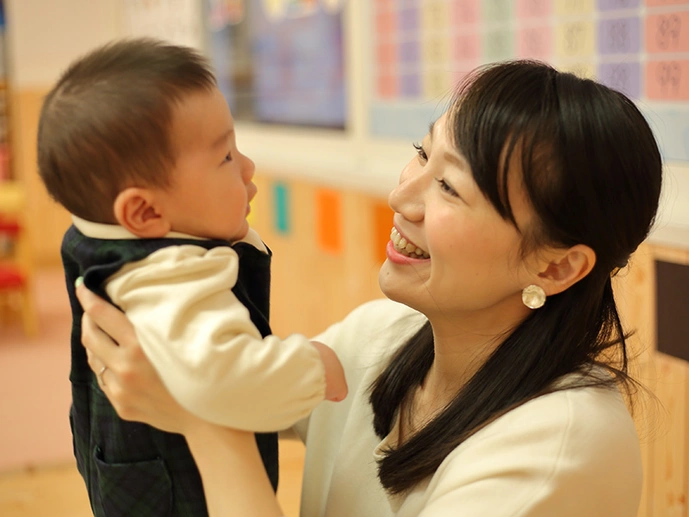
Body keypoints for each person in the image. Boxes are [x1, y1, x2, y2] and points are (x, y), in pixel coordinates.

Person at [76, 59, 663, 516]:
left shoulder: (558, 448)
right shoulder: (384, 334)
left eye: (451, 189)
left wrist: (201, 417)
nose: (402, 197)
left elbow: (220, 406)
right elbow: (261, 385)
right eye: (421, 154)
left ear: (555, 267)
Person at [37, 38, 347, 517]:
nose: (247, 167)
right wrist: (311, 368)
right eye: (225, 158)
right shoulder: (168, 273)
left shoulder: (110, 235)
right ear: (143, 211)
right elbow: (225, 380)